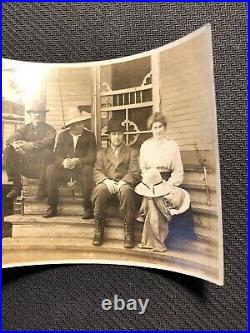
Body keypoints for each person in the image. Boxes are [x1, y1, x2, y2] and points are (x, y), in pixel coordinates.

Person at [134, 112, 191, 252]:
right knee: (152, 198)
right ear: (151, 129)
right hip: (150, 183)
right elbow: (142, 169)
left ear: (164, 127)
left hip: (168, 181)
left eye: (160, 127)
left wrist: (168, 185)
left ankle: (153, 241)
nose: (158, 130)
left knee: (155, 200)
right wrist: (150, 181)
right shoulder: (145, 146)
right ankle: (156, 241)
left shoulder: (172, 146)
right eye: (155, 127)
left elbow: (178, 170)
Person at [91, 118, 141, 248]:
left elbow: (135, 172)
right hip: (108, 184)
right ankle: (99, 229)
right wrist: (106, 180)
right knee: (100, 189)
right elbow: (97, 171)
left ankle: (129, 230)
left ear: (123, 135)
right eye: (113, 134)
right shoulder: (102, 153)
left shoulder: (132, 152)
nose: (117, 137)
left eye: (119, 134)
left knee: (126, 191)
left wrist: (124, 181)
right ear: (109, 136)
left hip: (123, 185)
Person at [43, 107, 96, 219]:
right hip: (65, 171)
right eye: (78, 124)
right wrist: (63, 162)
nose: (82, 126)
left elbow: (92, 157)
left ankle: (87, 207)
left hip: (80, 171)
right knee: (50, 169)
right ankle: (52, 206)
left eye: (82, 123)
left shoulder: (90, 136)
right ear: (71, 125)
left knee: (88, 170)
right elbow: (56, 155)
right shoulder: (62, 136)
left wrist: (78, 161)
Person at [5, 100, 56, 199]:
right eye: (34, 113)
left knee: (48, 152)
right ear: (30, 115)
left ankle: (42, 189)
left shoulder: (50, 129)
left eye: (40, 113)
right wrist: (14, 144)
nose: (37, 115)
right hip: (27, 166)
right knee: (9, 149)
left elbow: (48, 142)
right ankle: (16, 186)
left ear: (43, 115)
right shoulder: (25, 129)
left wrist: (32, 145)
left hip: (43, 168)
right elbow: (10, 139)